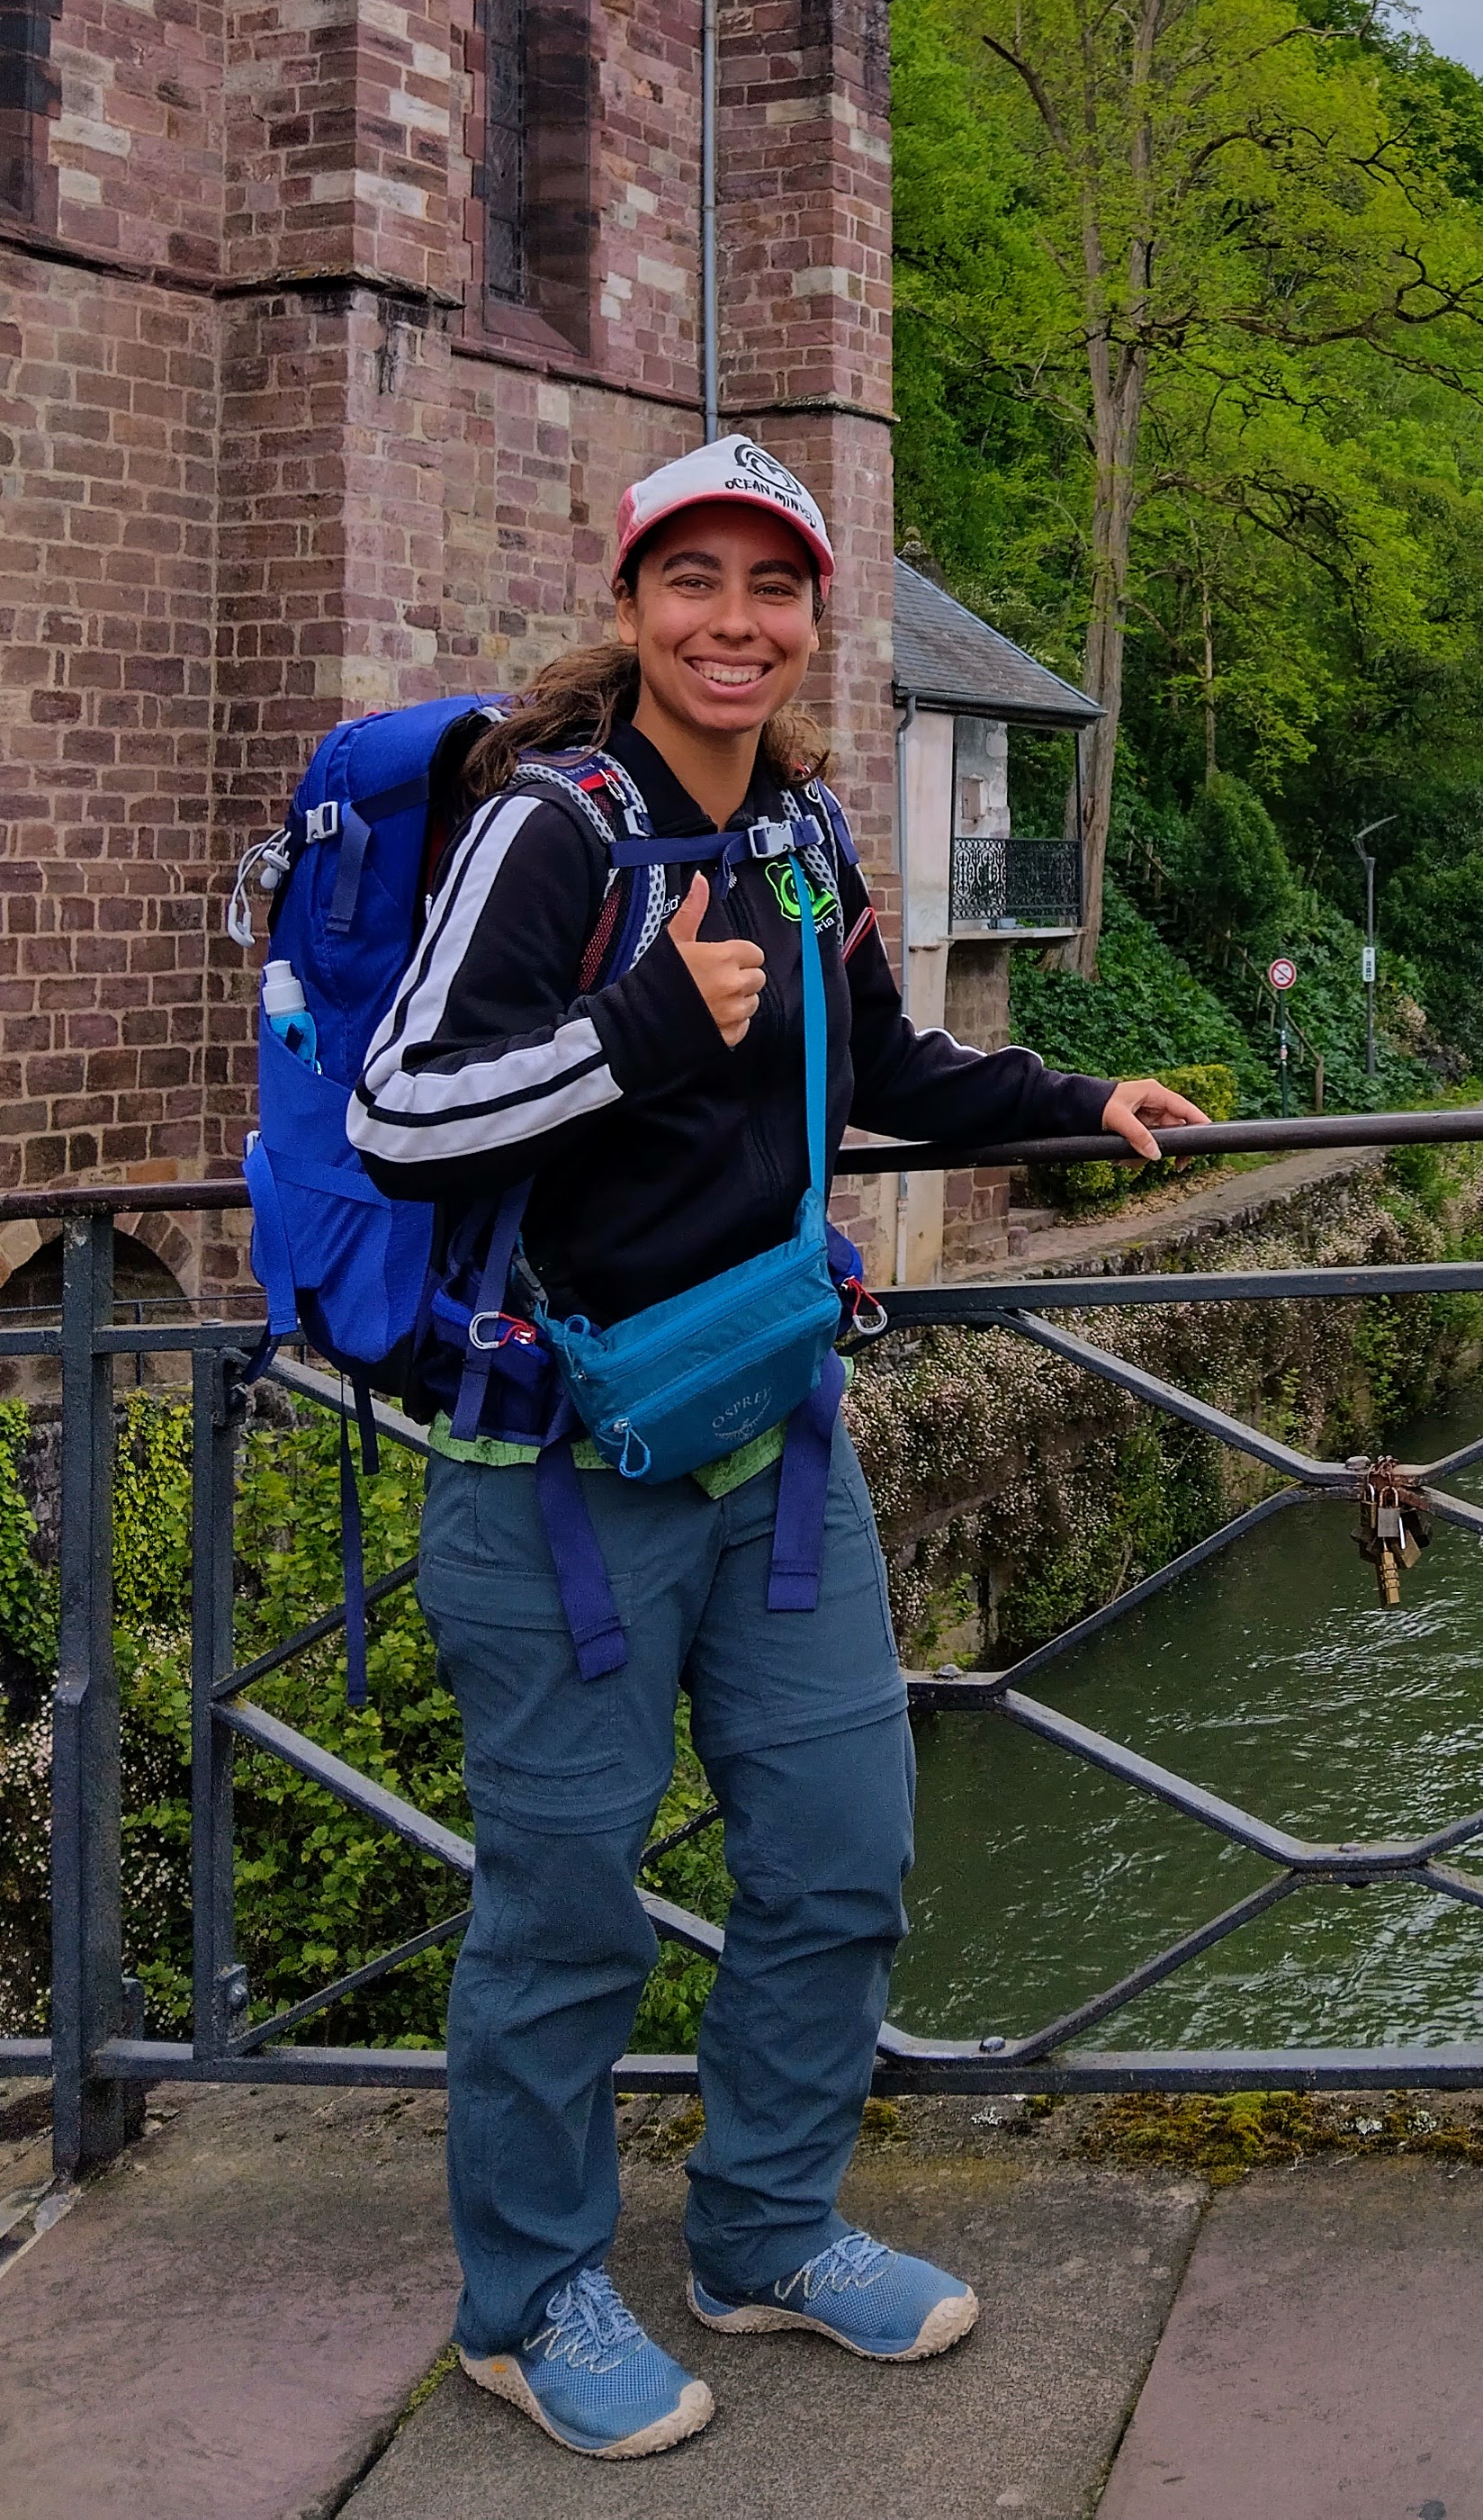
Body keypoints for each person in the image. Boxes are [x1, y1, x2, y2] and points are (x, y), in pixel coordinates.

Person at [350, 436, 1206, 2459]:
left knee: (841, 1862)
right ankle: (528, 2294)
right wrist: (639, 1029)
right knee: (567, 1906)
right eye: (696, 582)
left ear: (818, 619)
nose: (735, 623)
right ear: (633, 601)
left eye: (773, 589)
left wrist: (1081, 1101)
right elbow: (401, 1112)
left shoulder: (810, 827)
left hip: (775, 1436)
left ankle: (761, 2231)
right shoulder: (551, 830)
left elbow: (880, 1060)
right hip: (553, 1465)